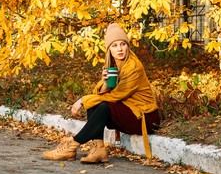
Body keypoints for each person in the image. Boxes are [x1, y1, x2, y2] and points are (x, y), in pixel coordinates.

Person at [43, 23, 160, 163]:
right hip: (129, 113)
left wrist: (81, 101)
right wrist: (105, 83)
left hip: (145, 118)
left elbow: (117, 95)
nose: (120, 49)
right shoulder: (113, 65)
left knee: (102, 105)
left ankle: (72, 144)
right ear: (109, 49)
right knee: (95, 104)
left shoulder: (133, 66)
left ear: (128, 46)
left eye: (123, 44)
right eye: (114, 45)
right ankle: (98, 150)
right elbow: (98, 93)